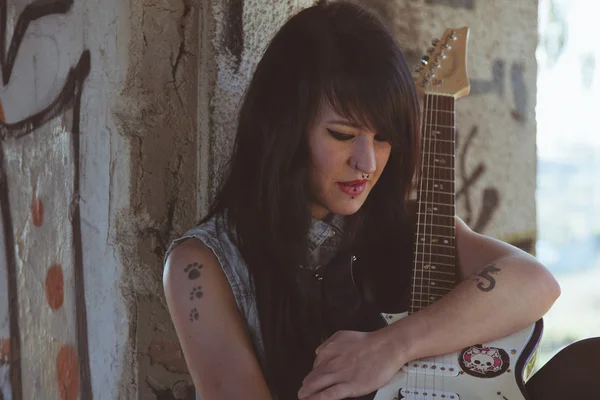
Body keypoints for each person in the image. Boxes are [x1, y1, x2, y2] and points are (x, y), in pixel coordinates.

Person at [162, 1, 560, 399]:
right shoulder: (202, 265)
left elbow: (536, 282)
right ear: (284, 129)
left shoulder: (406, 226)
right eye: (341, 134)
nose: (366, 162)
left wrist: (391, 346)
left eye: (383, 137)